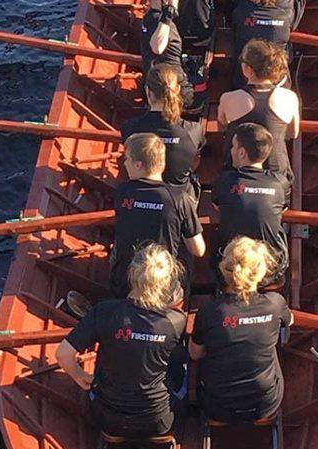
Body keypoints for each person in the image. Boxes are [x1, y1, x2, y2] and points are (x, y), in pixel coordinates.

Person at [56, 243, 187, 438]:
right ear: (168, 282)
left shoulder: (104, 310)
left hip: (107, 419)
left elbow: (63, 354)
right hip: (159, 421)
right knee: (185, 360)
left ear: (132, 274)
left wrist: (79, 376)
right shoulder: (176, 320)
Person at [189, 236, 293, 423]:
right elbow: (289, 320)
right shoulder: (276, 304)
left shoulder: (208, 312)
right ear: (261, 273)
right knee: (271, 343)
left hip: (217, 407)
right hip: (265, 404)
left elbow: (195, 354)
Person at [110, 133, 205, 297]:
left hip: (124, 285)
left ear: (138, 165)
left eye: (127, 159)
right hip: (160, 288)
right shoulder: (180, 199)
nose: (124, 164)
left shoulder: (122, 193)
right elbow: (199, 250)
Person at [217, 40, 300, 188]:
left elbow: (222, 126)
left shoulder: (228, 98)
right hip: (276, 175)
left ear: (248, 69)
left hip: (237, 173)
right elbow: (293, 134)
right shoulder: (290, 98)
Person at [211, 123, 289, 281]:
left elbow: (217, 206)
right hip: (271, 268)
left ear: (241, 152)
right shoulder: (280, 183)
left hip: (232, 265)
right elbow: (283, 209)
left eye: (233, 146)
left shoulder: (224, 181)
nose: (231, 151)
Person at [121, 64, 205, 195]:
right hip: (180, 198)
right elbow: (195, 160)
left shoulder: (129, 128)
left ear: (148, 91)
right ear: (177, 90)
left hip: (143, 194)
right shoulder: (194, 130)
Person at [232, 0, 291, 67]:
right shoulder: (285, 17)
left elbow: (234, 26)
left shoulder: (241, 13)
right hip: (277, 77)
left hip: (245, 75)